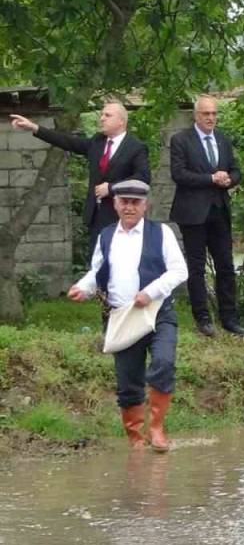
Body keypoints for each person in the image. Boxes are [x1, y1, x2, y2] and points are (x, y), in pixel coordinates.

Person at [67, 181, 187, 452]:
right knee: (127, 381)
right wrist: (82, 288)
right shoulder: (107, 235)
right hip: (121, 318)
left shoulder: (162, 233)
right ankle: (136, 440)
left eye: (136, 202)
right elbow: (98, 272)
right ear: (115, 204)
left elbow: (179, 271)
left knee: (164, 362)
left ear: (146, 205)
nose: (130, 207)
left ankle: (156, 428)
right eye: (125, 202)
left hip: (158, 314)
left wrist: (151, 291)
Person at [167, 95, 244, 337]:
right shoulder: (181, 140)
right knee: (196, 267)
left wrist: (229, 179)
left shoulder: (222, 140)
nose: (211, 118)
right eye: (206, 114)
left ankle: (229, 318)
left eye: (214, 114)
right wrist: (210, 179)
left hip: (219, 210)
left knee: (225, 265)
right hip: (192, 212)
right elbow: (179, 174)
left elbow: (236, 170)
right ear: (196, 115)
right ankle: (202, 318)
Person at [9, 102, 150, 238]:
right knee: (96, 261)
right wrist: (34, 127)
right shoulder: (97, 142)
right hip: (96, 217)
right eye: (101, 115)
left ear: (121, 121)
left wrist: (112, 188)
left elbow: (143, 177)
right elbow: (68, 141)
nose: (102, 119)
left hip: (122, 216)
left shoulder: (136, 147)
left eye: (107, 115)